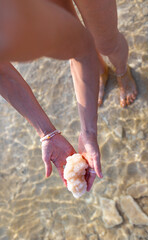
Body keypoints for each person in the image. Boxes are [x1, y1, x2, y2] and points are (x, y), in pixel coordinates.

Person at [0, 0, 137, 191]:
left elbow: (83, 49)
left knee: (105, 42)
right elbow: (3, 74)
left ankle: (122, 70)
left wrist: (89, 132)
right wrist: (47, 134)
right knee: (72, 33)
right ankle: (99, 72)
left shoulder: (10, 24)